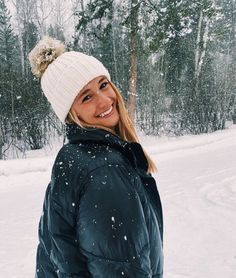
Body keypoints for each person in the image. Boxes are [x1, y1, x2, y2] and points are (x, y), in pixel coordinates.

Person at [29, 37, 164, 278]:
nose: (104, 100)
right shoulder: (105, 169)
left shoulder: (74, 158)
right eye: (86, 97)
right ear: (71, 113)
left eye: (103, 85)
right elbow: (123, 269)